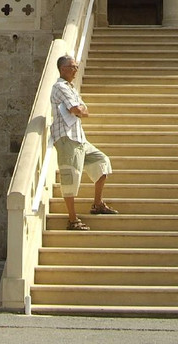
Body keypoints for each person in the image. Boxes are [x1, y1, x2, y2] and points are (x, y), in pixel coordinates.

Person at [50, 54, 117, 230]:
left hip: (79, 138)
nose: (76, 70)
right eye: (73, 67)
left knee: (102, 161)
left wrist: (79, 110)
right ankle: (72, 220)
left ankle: (97, 203)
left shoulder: (71, 88)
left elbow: (83, 110)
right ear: (63, 69)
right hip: (66, 137)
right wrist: (78, 110)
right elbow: (76, 108)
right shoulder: (59, 87)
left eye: (76, 67)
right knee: (70, 177)